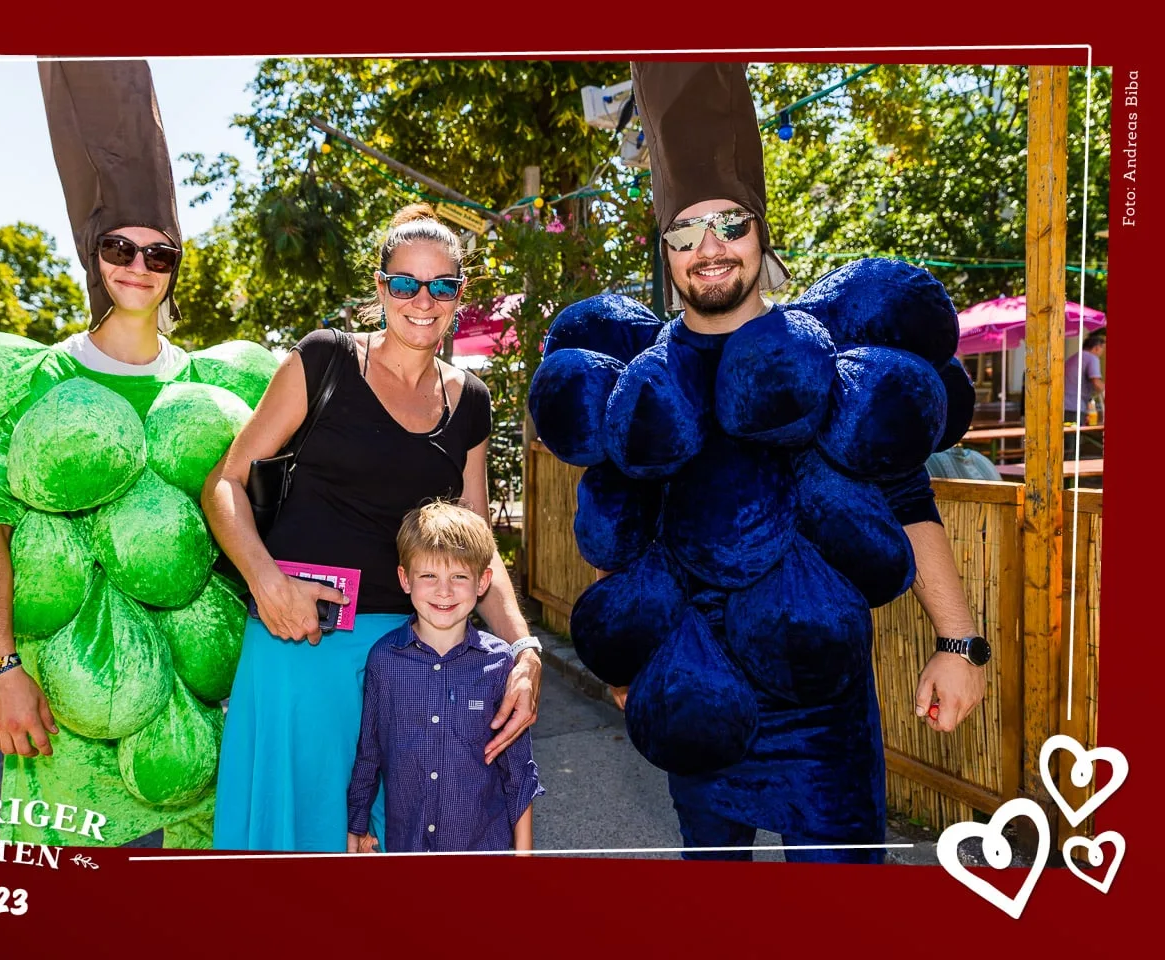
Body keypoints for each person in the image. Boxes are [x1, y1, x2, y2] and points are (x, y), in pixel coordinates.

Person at [543, 62, 987, 865]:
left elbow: (908, 500)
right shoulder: (645, 381)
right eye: (685, 233)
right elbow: (624, 530)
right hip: (697, 697)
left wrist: (958, 645)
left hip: (824, 718)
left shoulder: (826, 357)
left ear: (761, 230)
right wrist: (629, 655)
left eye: (730, 223)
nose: (709, 249)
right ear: (665, 249)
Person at [0, 59, 257, 849]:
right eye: (119, 248)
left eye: (159, 255)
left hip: (193, 716)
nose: (138, 267)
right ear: (93, 254)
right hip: (64, 711)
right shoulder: (43, 378)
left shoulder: (206, 387)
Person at [206, 203, 543, 852]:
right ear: (381, 286)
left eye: (442, 285)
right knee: (294, 848)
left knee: (404, 848)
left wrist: (523, 649)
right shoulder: (323, 360)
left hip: (418, 660)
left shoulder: (471, 400)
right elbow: (225, 483)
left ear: (460, 295)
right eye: (406, 282)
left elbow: (477, 546)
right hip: (300, 643)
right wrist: (266, 582)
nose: (423, 300)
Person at [346, 500, 543, 853]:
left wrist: (524, 858)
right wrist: (356, 827)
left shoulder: (500, 666)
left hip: (485, 853)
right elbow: (368, 756)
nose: (444, 591)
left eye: (459, 577)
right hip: (409, 851)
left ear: (482, 581)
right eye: (429, 576)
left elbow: (519, 774)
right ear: (405, 579)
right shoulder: (383, 661)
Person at [1063, 330, 1105, 456]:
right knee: (1072, 445)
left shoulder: (1074, 357)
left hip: (1063, 406)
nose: (1102, 353)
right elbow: (1096, 382)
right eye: (1102, 349)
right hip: (1074, 407)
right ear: (1097, 347)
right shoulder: (1092, 358)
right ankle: (1070, 467)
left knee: (1065, 443)